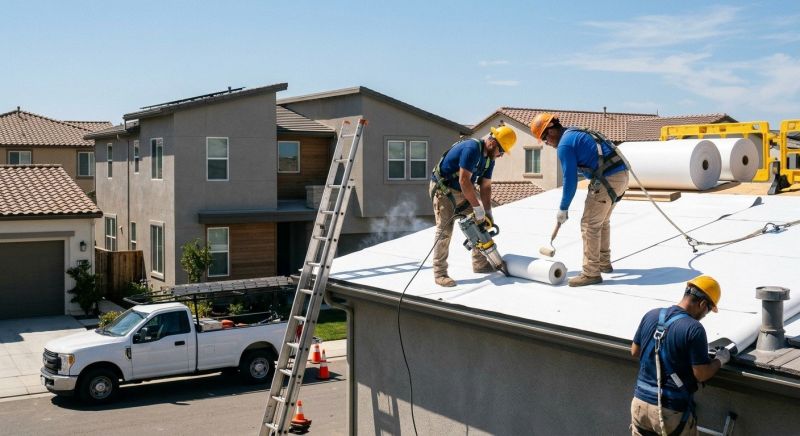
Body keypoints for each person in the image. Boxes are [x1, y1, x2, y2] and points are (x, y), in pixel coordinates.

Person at [530, 113, 629, 287]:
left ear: (551, 131)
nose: (547, 143)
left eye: (545, 138)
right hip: (620, 176)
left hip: (609, 178)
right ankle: (603, 263)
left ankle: (591, 272)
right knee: (602, 222)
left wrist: (563, 208)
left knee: (589, 225)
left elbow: (570, 180)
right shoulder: (572, 133)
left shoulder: (565, 145)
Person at [630, 275, 730, 436]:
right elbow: (702, 374)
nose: (706, 314)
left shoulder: (652, 315)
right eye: (708, 310)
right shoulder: (694, 329)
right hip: (669, 410)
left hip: (640, 403)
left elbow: (634, 351)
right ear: (703, 304)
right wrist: (720, 360)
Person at [429, 125, 517, 287]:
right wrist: (477, 208)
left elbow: (485, 186)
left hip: (463, 189)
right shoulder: (472, 149)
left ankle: (480, 263)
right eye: (502, 151)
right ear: (492, 142)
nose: (501, 155)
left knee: (480, 224)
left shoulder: (489, 159)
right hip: (444, 188)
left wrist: (487, 212)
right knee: (445, 231)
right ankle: (440, 273)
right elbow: (464, 180)